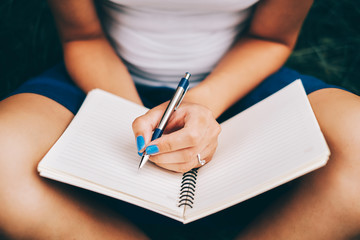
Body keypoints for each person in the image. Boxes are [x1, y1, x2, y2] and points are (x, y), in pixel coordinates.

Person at [1, 0, 360, 239]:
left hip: (242, 79)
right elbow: (83, 37)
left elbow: (270, 38)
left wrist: (202, 103)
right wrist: (134, 116)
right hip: (99, 78)